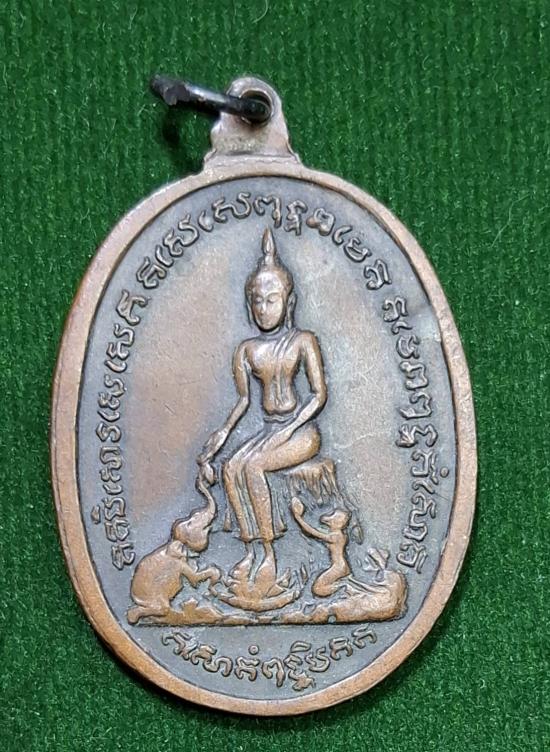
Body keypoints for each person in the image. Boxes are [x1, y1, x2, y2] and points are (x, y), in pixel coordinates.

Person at [198, 228, 327, 600]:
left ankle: (269, 553)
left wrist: (290, 428)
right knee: (230, 467)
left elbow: (319, 395)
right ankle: (250, 549)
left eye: (272, 300)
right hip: (269, 430)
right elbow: (243, 402)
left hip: (301, 431)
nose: (264, 308)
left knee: (253, 467)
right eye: (257, 301)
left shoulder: (303, 341)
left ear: (289, 301)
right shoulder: (247, 349)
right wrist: (222, 435)